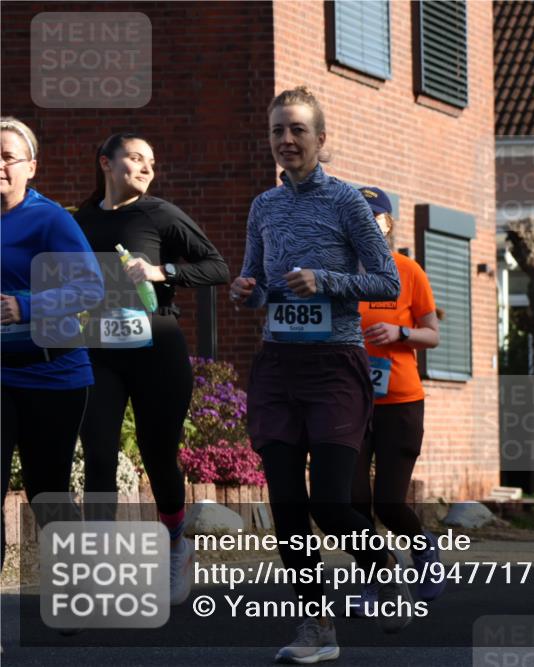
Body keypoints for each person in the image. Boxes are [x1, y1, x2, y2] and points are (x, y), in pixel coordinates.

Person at [230, 86, 407, 664]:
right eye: (278, 130)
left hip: (334, 363)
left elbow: (387, 283)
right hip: (278, 363)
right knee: (285, 504)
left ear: (320, 139)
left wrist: (325, 281)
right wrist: (246, 291)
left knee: (330, 504)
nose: (286, 140)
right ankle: (317, 629)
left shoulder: (348, 203)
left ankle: (382, 563)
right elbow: (256, 280)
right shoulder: (264, 205)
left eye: (298, 130)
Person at [74, 132, 230, 605]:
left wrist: (166, 273)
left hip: (157, 347)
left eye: (151, 162)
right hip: (100, 349)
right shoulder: (80, 220)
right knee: (98, 453)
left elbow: (217, 267)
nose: (146, 168)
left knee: (158, 454)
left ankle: (177, 543)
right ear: (106, 162)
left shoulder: (160, 214)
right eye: (136, 158)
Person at [1, 116, 103, 568]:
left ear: (31, 167)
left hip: (53, 373)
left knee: (47, 491)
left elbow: (91, 287)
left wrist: (26, 306)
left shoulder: (50, 218)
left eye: (7, 156)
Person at [348, 186, 444, 617]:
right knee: (352, 500)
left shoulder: (408, 271)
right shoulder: (339, 272)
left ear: (389, 223)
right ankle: (377, 578)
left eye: (376, 218)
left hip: (400, 401)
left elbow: (433, 334)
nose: (369, 225)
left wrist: (401, 334)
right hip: (348, 400)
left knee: (389, 501)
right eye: (359, 218)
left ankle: (423, 551)